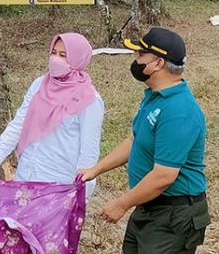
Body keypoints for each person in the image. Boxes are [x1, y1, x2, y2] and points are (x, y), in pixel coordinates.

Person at [79, 27, 210, 253]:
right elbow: (134, 140)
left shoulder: (179, 111)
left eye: (140, 55)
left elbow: (164, 176)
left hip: (173, 215)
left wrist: (121, 204)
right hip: (148, 204)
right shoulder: (154, 97)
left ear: (158, 63)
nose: (136, 61)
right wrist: (95, 170)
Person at [0, 33, 104, 198]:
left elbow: (89, 154)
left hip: (59, 185)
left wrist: (80, 195)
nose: (56, 59)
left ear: (78, 58)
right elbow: (19, 124)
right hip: (27, 174)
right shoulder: (40, 85)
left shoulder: (89, 100)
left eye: (63, 55)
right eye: (53, 53)